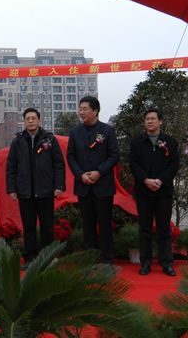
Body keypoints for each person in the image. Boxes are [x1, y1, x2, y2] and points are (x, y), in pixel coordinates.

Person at [6, 108, 65, 270]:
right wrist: (12, 189)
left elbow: (59, 164)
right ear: (24, 122)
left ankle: (48, 258)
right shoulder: (18, 141)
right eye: (27, 119)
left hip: (45, 191)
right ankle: (30, 258)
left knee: (47, 227)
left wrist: (59, 186)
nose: (30, 121)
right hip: (25, 192)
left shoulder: (49, 140)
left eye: (33, 118)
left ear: (39, 120)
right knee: (29, 228)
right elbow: (11, 167)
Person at [67, 96, 120, 265]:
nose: (81, 112)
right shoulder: (75, 132)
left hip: (103, 185)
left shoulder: (107, 131)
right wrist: (81, 175)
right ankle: (90, 259)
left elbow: (114, 155)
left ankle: (107, 259)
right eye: (80, 109)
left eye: (85, 109)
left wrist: (99, 172)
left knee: (105, 224)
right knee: (87, 225)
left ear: (95, 111)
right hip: (83, 185)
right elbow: (71, 156)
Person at [129, 109, 180, 277]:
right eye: (147, 119)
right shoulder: (137, 142)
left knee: (164, 228)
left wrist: (160, 180)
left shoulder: (170, 142)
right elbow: (134, 164)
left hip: (163, 191)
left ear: (160, 121)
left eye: (153, 119)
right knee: (145, 229)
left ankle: (167, 263)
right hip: (144, 191)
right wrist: (146, 180)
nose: (149, 121)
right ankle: (145, 263)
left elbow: (174, 165)